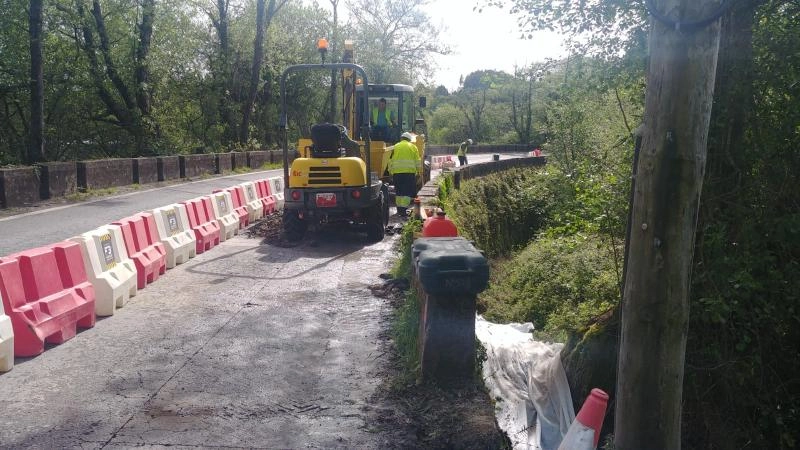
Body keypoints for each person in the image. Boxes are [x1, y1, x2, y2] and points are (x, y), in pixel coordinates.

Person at [389, 132, 422, 217]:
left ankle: (399, 210)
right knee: (406, 192)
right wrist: (419, 172)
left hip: (397, 173)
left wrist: (391, 172)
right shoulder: (413, 147)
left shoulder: (396, 146)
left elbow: (391, 161)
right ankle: (403, 211)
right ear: (409, 139)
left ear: (402, 138)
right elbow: (417, 161)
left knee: (399, 192)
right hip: (409, 173)